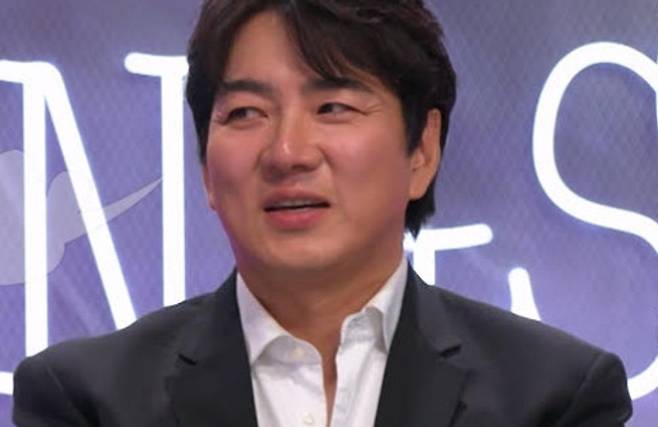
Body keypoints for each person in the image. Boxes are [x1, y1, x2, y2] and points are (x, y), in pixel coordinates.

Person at [13, 1, 632, 426]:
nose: (287, 152)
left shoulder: (554, 398)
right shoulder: (88, 402)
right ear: (205, 167)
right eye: (246, 113)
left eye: (333, 107)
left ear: (422, 149)